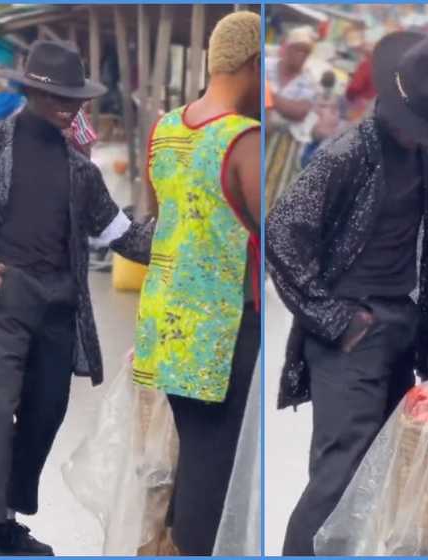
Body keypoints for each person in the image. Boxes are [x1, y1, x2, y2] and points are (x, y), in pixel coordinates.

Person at [0, 40, 153, 556]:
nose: (69, 106)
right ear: (32, 95)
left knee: (47, 411)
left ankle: (5, 519)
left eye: (75, 98)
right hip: (3, 298)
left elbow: (119, 233)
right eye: (60, 98)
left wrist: (184, 239)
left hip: (59, 305)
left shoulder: (81, 169)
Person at [268, 33, 428, 556]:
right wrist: (333, 317)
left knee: (379, 469)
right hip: (351, 330)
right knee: (339, 472)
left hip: (400, 328)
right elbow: (282, 232)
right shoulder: (346, 155)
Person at [131, 11, 261, 555]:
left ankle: (171, 546)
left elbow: (168, 212)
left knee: (193, 449)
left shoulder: (165, 128)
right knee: (215, 459)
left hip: (166, 317)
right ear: (255, 66)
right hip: (223, 326)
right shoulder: (243, 138)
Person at [264, 26, 318, 215]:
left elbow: (299, 111)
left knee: (274, 194)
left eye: (306, 52)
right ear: (286, 48)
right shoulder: (266, 65)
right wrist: (276, 103)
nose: (301, 55)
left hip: (285, 143)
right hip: (255, 133)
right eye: (298, 49)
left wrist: (269, 96)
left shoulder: (308, 81)